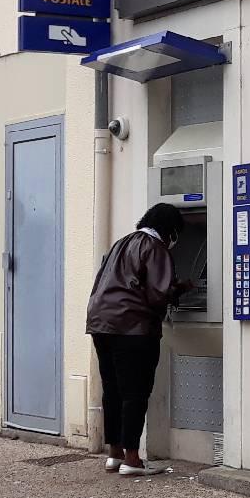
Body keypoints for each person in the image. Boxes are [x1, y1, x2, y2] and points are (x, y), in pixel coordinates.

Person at [88, 203, 191, 476]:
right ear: (170, 230)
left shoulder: (121, 243)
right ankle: (132, 459)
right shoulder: (154, 247)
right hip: (132, 326)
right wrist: (182, 288)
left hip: (101, 323)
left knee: (112, 390)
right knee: (135, 391)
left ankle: (115, 454)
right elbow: (158, 294)